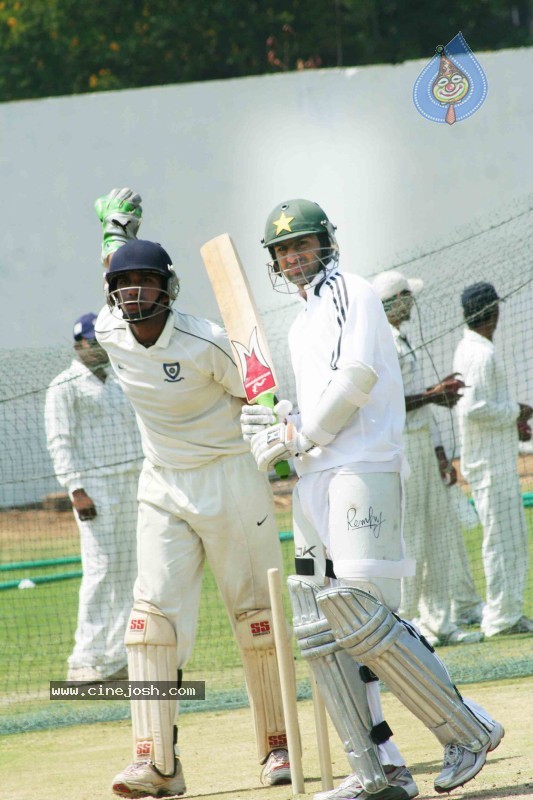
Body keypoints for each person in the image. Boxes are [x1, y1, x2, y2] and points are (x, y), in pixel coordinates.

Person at [242, 199, 504, 800]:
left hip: (362, 468)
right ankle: (376, 771)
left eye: (301, 245)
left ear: (326, 244)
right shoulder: (300, 321)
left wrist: (301, 433)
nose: (292, 257)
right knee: (317, 623)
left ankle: (467, 730)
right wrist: (276, 428)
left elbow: (357, 376)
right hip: (315, 482)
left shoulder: (350, 292)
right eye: (283, 250)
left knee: (361, 613)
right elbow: (316, 400)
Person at [92, 188, 293, 798]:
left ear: (167, 288)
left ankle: (278, 747)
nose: (131, 293)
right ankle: (156, 762)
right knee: (148, 624)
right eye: (123, 283)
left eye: (144, 282)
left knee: (257, 616)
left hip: (230, 477)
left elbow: (255, 389)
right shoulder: (108, 329)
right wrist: (114, 232)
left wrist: (271, 429)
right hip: (163, 484)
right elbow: (113, 265)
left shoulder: (205, 342)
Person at [370, 270, 484, 647]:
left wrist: (439, 453)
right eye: (408, 298)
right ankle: (410, 622)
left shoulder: (402, 339)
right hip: (400, 448)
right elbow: (387, 404)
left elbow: (419, 401)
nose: (412, 306)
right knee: (412, 536)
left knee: (437, 533)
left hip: (421, 445)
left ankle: (441, 622)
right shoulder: (381, 342)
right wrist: (434, 394)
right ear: (395, 300)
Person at [44, 312, 142, 683]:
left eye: (102, 340)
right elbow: (60, 442)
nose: (98, 347)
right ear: (78, 345)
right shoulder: (65, 385)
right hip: (95, 489)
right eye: (91, 341)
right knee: (101, 571)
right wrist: (76, 489)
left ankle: (117, 657)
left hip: (130, 482)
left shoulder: (118, 381)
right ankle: (84, 661)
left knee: (130, 571)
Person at [453, 281, 533, 637]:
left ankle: (507, 613)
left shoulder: (471, 348)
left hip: (493, 459)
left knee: (508, 539)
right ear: (494, 311)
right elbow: (473, 409)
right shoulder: (481, 354)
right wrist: (516, 411)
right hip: (491, 467)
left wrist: (511, 423)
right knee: (503, 541)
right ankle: (501, 619)